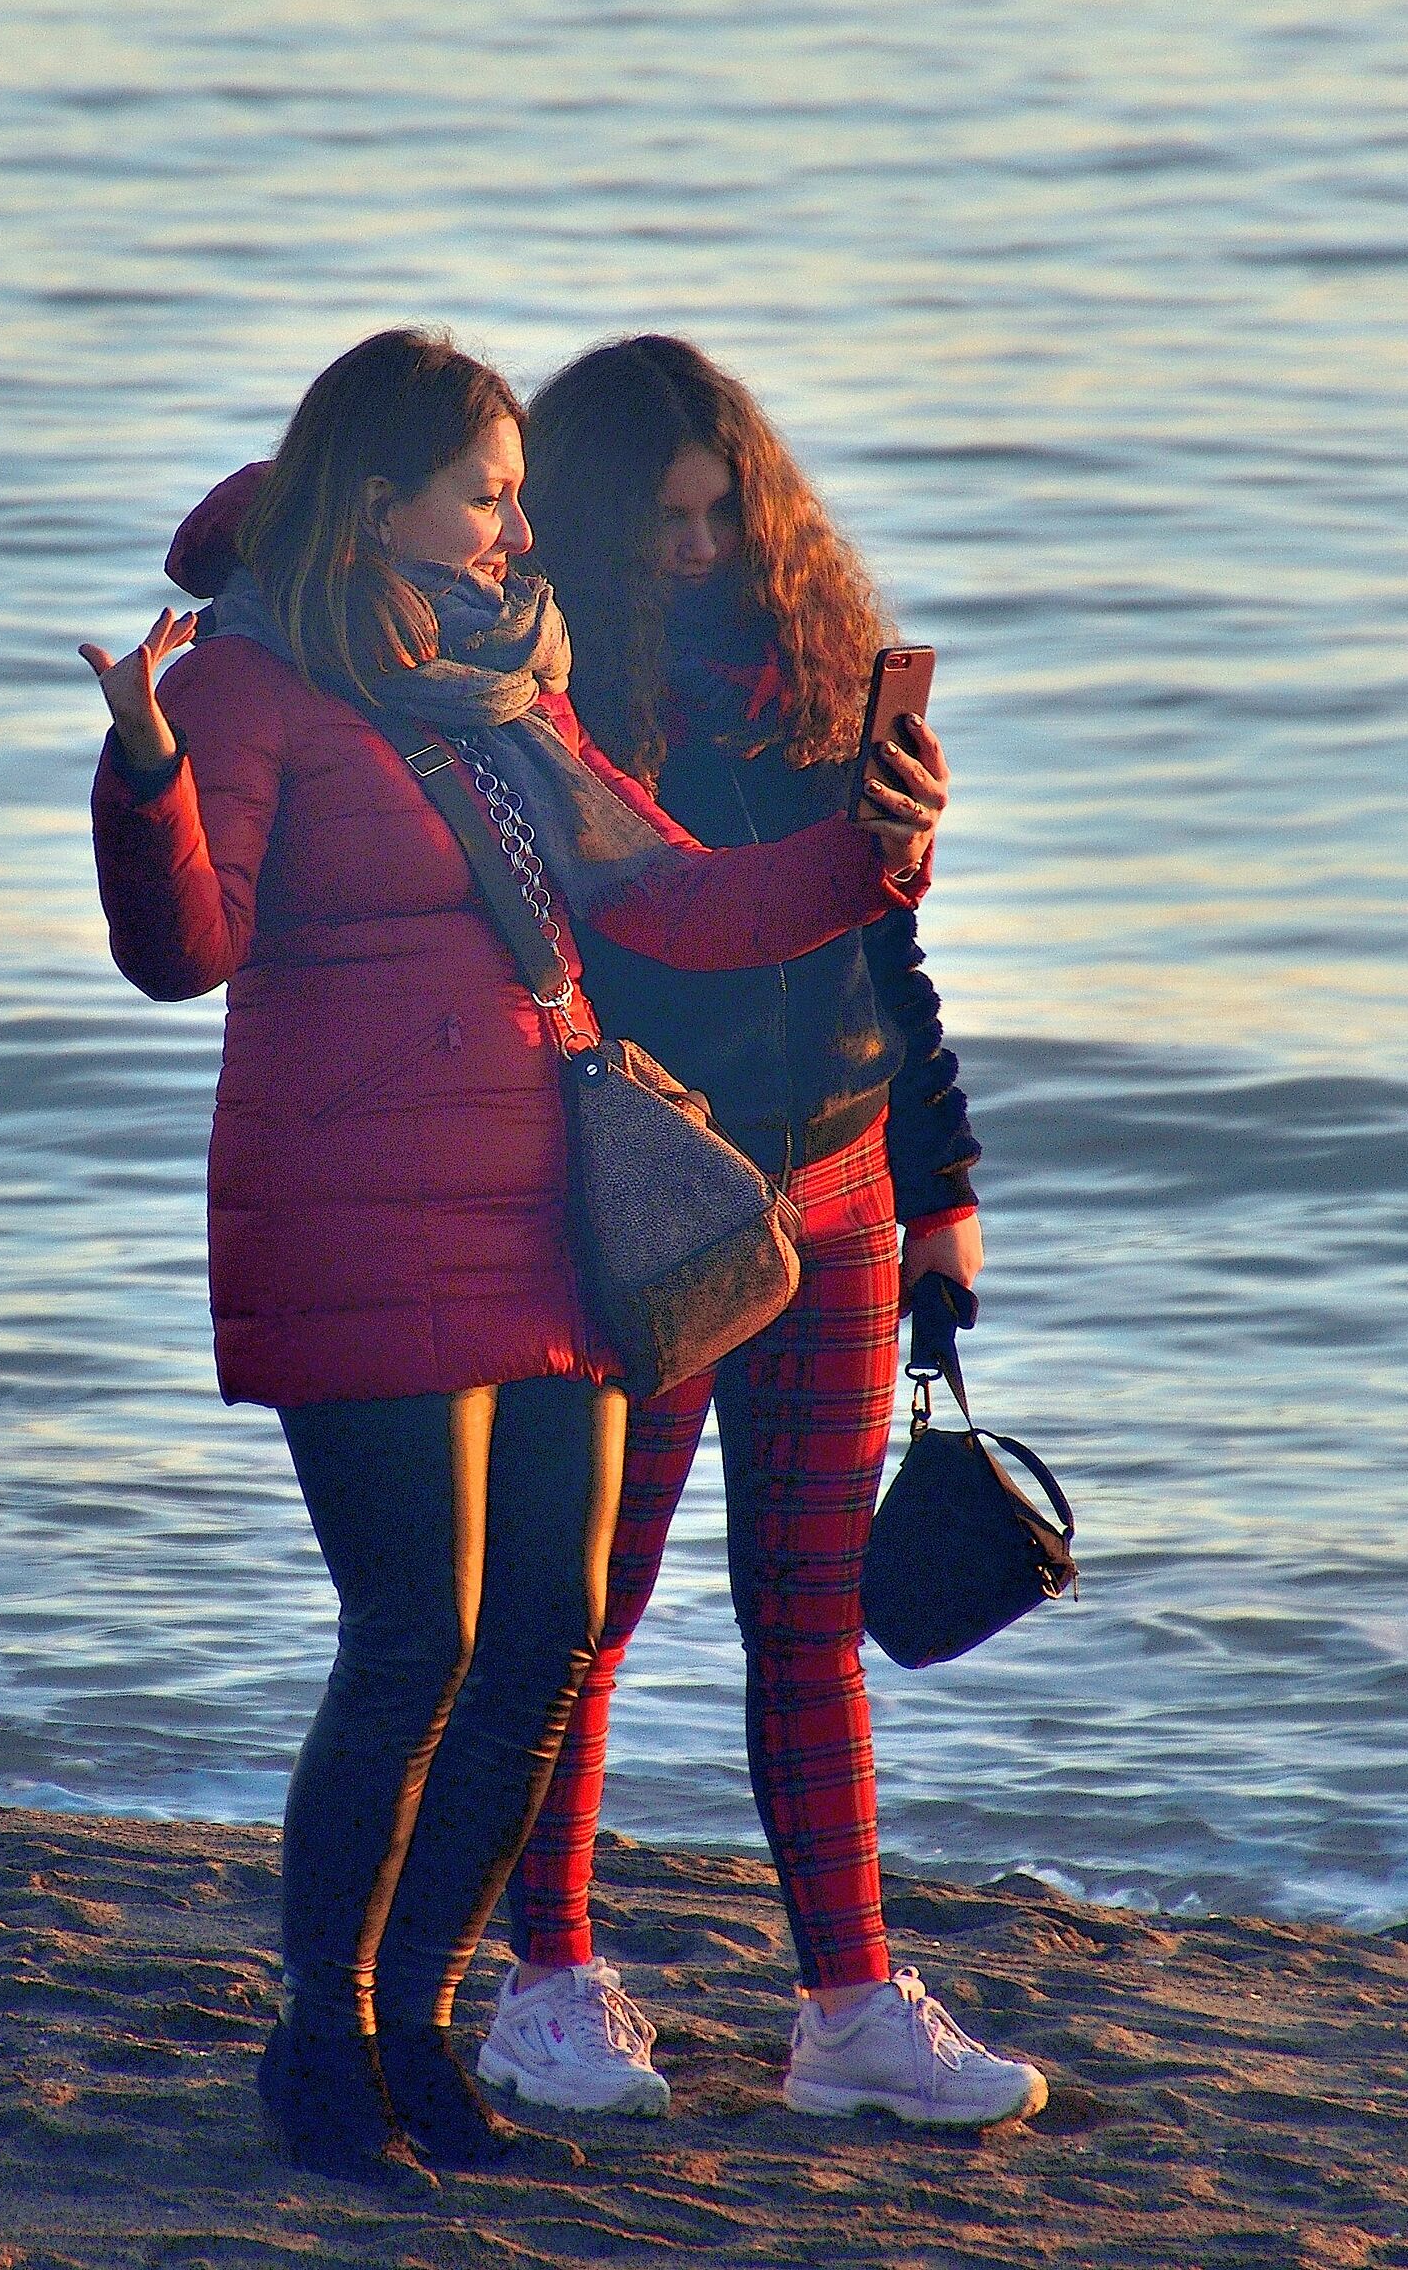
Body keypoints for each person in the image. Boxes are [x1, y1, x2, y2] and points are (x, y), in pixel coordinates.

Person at [81, 328, 943, 2191]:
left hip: (539, 1224)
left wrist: (868, 862)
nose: (511, 527)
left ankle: (416, 2028)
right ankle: (324, 2050)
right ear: (376, 496)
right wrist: (142, 775)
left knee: (542, 1638)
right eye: (483, 494)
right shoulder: (248, 688)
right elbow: (186, 954)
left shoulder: (499, 691)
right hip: (362, 1221)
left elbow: (667, 897)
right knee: (413, 1641)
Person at [477, 335, 1048, 2132]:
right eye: (660, 518)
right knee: (591, 1612)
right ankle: (548, 1983)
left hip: (849, 1196)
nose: (695, 548)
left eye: (725, 514)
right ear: (577, 516)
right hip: (657, 1210)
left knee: (804, 1617)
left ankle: (851, 2003)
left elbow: (892, 966)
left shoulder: (819, 686)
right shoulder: (539, 704)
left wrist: (942, 1192)